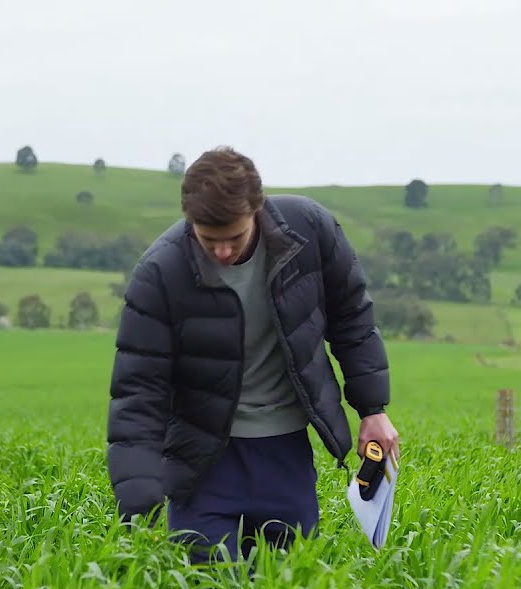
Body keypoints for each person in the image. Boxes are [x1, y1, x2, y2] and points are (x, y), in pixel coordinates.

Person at [105, 146, 398, 563]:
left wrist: (373, 409)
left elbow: (352, 318)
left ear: (257, 210)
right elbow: (138, 390)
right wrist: (140, 501)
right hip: (202, 462)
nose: (222, 253)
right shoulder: (160, 273)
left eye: (234, 238)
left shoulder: (309, 232)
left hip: (285, 454)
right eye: (209, 240)